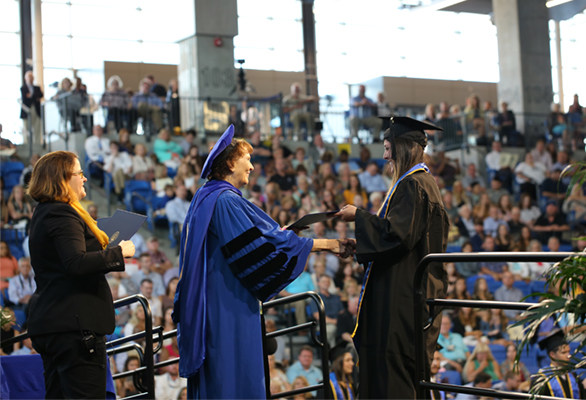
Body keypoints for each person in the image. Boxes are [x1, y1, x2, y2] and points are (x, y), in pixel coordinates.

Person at [173, 125, 346, 399]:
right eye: (247, 159)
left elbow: (254, 240)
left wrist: (285, 237)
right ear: (231, 162)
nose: (252, 167)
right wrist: (328, 244)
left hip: (218, 300)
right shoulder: (225, 200)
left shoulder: (207, 197)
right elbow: (256, 251)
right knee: (232, 377)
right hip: (229, 306)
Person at [336, 116, 449, 398]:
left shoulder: (414, 184)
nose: (385, 155)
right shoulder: (419, 183)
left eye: (388, 147)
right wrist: (360, 239)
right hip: (405, 289)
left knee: (395, 374)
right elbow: (400, 234)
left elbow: (397, 235)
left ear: (404, 147)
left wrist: (358, 216)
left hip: (404, 296)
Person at [26, 150, 135, 399]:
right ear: (63, 179)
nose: (84, 179)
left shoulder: (46, 212)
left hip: (58, 324)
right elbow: (76, 263)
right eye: (79, 173)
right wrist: (119, 253)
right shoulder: (61, 213)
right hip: (74, 328)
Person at [531, 329, 586, 398]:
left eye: (568, 351)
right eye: (564, 352)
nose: (568, 355)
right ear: (552, 355)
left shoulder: (574, 377)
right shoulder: (541, 380)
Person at [20, 71, 44, 144]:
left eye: (31, 77)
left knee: (37, 127)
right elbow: (25, 98)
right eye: (29, 77)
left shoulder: (37, 88)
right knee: (26, 128)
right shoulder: (23, 88)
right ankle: (27, 143)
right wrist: (34, 97)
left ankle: (37, 143)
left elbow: (40, 95)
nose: (30, 79)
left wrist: (30, 96)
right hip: (27, 111)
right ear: (26, 79)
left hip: (36, 110)